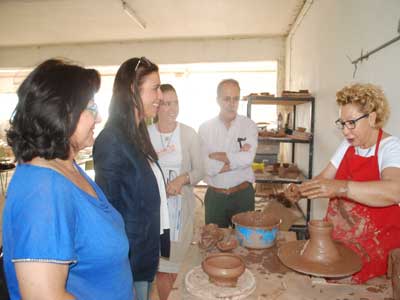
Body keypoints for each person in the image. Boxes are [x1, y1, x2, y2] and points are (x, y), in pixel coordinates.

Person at [3, 59, 134, 300]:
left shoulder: (66, 167)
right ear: (61, 113)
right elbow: (44, 296)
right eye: (91, 108)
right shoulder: (42, 189)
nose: (100, 117)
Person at [298, 83, 400, 283]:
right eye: (342, 123)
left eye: (351, 123)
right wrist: (300, 190)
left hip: (376, 251)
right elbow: (324, 179)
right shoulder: (348, 144)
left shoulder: (391, 148)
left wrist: (341, 187)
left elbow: (395, 190)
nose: (345, 131)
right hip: (340, 244)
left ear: (371, 117)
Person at [93, 57, 168, 300]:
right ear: (133, 90)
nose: (160, 96)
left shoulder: (137, 133)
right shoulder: (111, 139)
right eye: (155, 88)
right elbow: (109, 212)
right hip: (128, 261)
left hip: (143, 252)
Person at [148, 84, 204, 300]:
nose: (173, 109)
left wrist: (183, 178)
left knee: (178, 265)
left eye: (176, 103)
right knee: (161, 268)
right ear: (157, 106)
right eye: (166, 104)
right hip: (155, 210)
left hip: (181, 210)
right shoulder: (145, 134)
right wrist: (159, 188)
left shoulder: (189, 134)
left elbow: (200, 169)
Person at [198, 79, 258, 228]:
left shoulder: (249, 126)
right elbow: (203, 164)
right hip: (215, 196)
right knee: (213, 243)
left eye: (236, 98)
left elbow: (248, 158)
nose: (232, 104)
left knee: (245, 243)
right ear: (218, 100)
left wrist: (217, 157)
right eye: (227, 99)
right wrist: (236, 159)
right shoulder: (205, 128)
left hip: (243, 195)